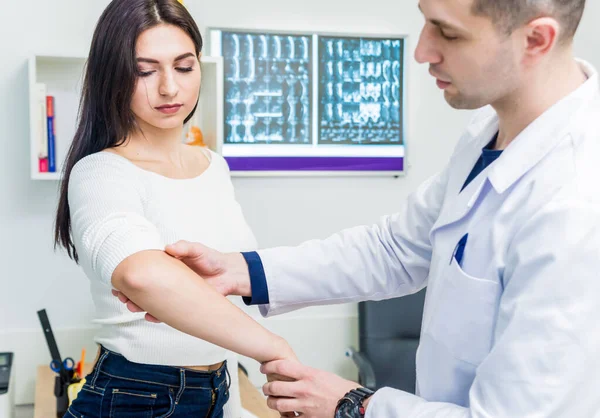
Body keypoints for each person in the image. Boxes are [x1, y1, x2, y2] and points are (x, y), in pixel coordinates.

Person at [116, 0, 600, 416]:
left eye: (448, 33)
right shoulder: (487, 137)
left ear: (536, 39)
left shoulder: (575, 203)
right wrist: (238, 272)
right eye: (425, 20)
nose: (421, 50)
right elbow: (395, 248)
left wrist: (356, 405)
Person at [53, 0, 296, 417]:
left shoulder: (213, 166)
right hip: (134, 396)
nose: (169, 88)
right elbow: (140, 273)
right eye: (144, 71)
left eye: (184, 67)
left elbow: (225, 306)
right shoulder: (99, 173)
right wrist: (271, 347)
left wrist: (235, 404)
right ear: (112, 76)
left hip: (215, 387)